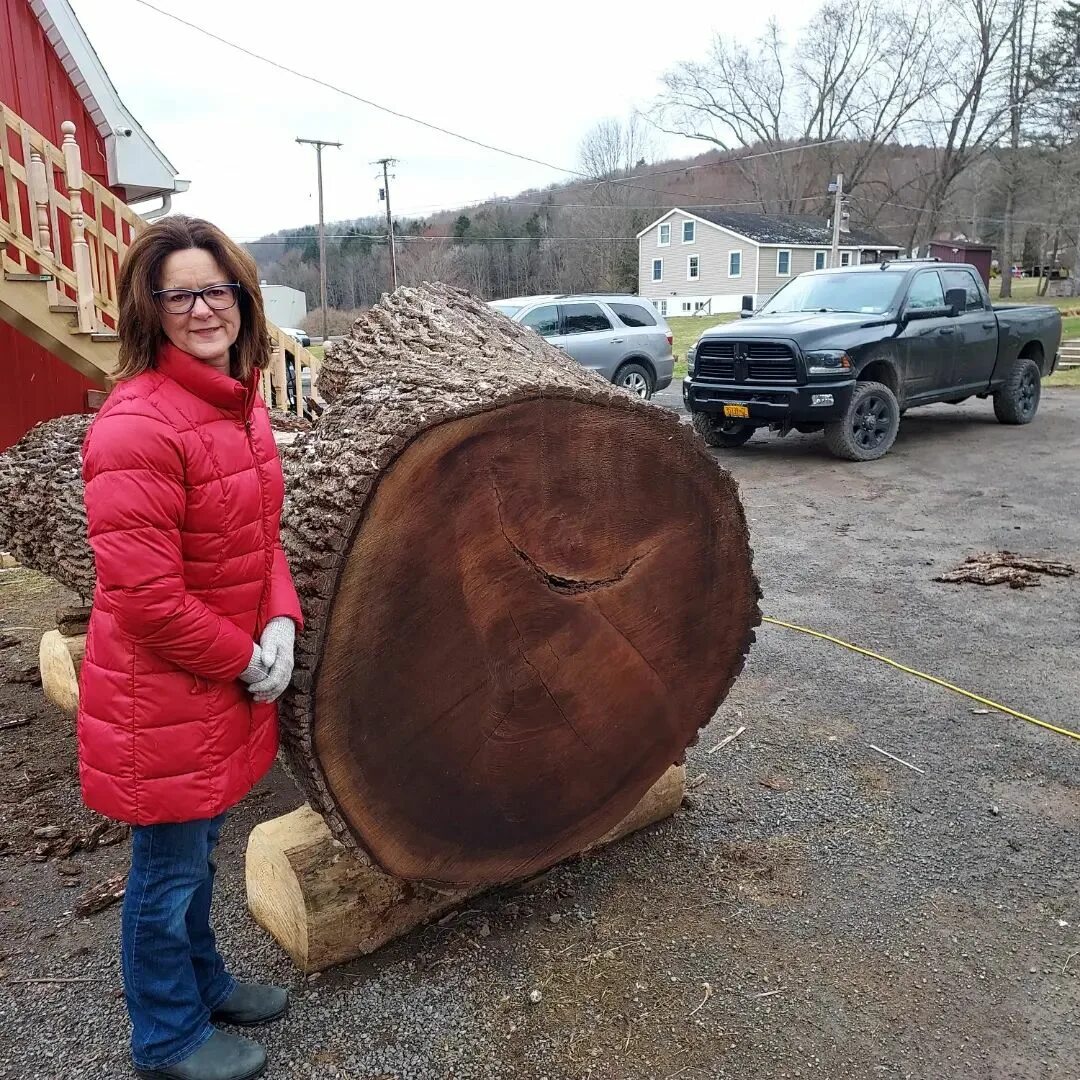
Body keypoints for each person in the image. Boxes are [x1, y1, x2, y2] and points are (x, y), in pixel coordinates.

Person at [78, 215, 303, 1080]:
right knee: (166, 876)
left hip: (214, 682)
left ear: (242, 299)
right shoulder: (138, 425)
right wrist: (246, 659)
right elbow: (144, 597)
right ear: (152, 307)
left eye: (219, 289)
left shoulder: (236, 404)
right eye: (182, 294)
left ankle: (203, 985)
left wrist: (278, 617)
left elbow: (261, 537)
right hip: (161, 694)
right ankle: (165, 1036)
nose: (204, 308)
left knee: (197, 857)